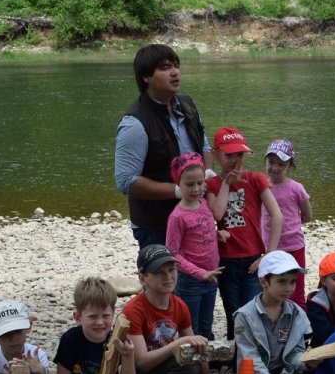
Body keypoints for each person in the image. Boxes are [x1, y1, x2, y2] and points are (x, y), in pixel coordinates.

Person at [122, 245, 221, 374]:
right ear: (143, 278)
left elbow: (199, 352)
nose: (168, 277)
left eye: (171, 270)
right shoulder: (134, 309)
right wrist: (179, 343)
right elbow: (141, 363)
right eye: (159, 272)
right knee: (188, 361)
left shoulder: (179, 306)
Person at [114, 43, 209, 248]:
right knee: (164, 280)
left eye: (176, 66)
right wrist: (177, 191)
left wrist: (207, 175)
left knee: (199, 278)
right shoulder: (135, 123)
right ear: (146, 77)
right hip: (156, 224)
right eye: (165, 68)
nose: (175, 72)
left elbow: (204, 145)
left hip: (195, 213)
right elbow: (126, 181)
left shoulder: (187, 104)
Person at [234, 251, 331, 374]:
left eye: (292, 281)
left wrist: (307, 362)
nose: (288, 288)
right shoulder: (244, 316)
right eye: (281, 281)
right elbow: (251, 359)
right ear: (263, 281)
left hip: (288, 373)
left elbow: (295, 352)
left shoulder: (296, 313)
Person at [205, 127, 282, 341]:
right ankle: (237, 360)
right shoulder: (211, 184)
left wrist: (269, 254)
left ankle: (253, 359)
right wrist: (227, 183)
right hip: (225, 260)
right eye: (229, 155)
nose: (235, 160)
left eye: (239, 155)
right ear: (217, 154)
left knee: (253, 311)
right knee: (233, 313)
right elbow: (217, 213)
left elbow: (277, 215)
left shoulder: (255, 179)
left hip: (252, 259)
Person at [166, 152, 228, 342]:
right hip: (191, 281)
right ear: (178, 184)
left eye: (200, 183)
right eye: (190, 184)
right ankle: (193, 367)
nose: (196, 189)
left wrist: (217, 234)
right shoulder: (177, 217)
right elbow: (173, 253)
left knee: (206, 322)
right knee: (190, 327)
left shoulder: (203, 204)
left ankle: (206, 362)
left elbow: (201, 231)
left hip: (211, 276)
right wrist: (200, 273)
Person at [259, 140, 313, 306]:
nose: (275, 168)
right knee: (271, 288)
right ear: (265, 161)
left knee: (295, 291)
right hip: (269, 247)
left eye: (281, 164)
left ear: (289, 165)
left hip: (293, 246)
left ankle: (300, 327)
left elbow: (307, 215)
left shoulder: (296, 188)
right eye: (271, 162)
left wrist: (292, 224)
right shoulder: (260, 186)